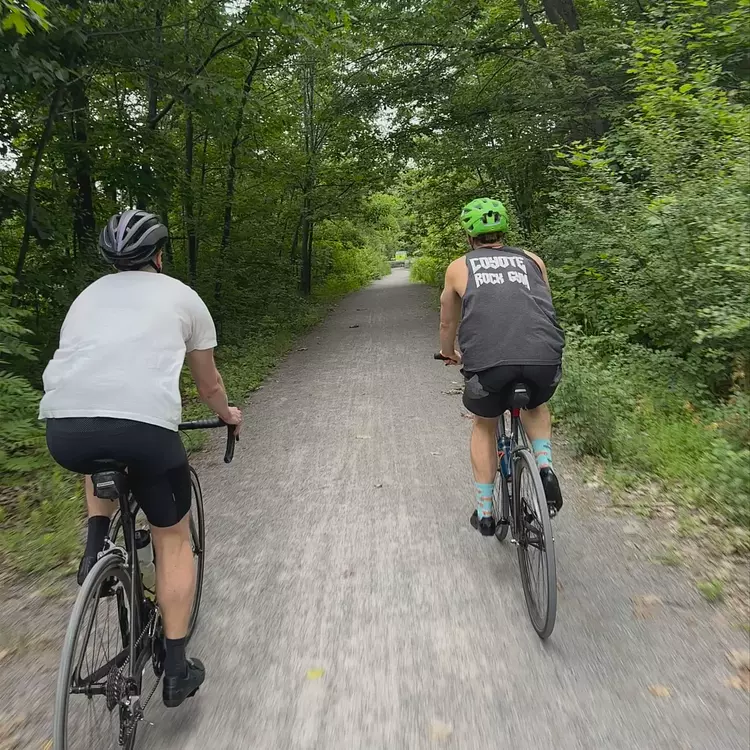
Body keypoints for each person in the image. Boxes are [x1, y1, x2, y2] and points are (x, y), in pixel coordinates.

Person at [38, 209, 242, 707]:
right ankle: (175, 670)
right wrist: (229, 415)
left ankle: (94, 546)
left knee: (98, 457)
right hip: (144, 431)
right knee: (173, 540)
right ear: (158, 255)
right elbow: (208, 384)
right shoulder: (182, 297)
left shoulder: (85, 298)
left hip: (65, 430)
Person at [438, 198, 565, 536]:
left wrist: (448, 352)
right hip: (542, 358)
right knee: (536, 403)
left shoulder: (458, 268)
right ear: (503, 231)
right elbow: (544, 308)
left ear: (469, 236)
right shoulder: (532, 260)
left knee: (484, 424)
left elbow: (448, 323)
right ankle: (545, 467)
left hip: (490, 365)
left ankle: (485, 512)